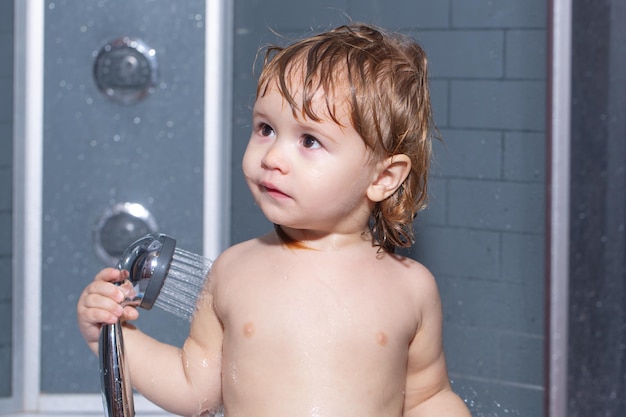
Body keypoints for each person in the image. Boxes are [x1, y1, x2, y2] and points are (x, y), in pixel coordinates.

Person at [77, 23, 471, 417]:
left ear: (383, 178)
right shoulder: (235, 270)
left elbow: (428, 398)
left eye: (309, 140)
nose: (272, 158)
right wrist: (112, 339)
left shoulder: (410, 288)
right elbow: (193, 389)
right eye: (265, 129)